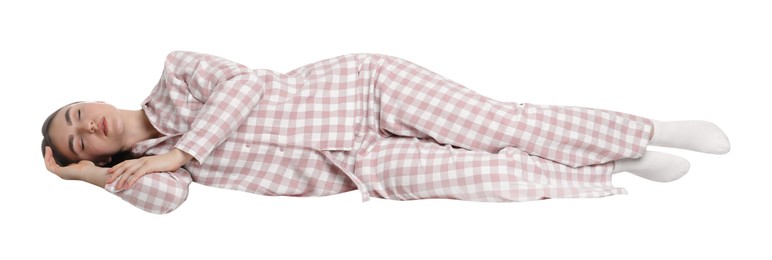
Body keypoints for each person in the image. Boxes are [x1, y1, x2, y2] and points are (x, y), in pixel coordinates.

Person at [41, 51, 731, 214]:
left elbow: (243, 86)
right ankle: (617, 167)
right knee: (489, 180)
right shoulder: (162, 172)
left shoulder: (177, 72)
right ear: (107, 153)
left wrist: (183, 151)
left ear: (95, 100)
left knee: (495, 126)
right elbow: (168, 206)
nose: (86, 129)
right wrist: (88, 181)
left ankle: (651, 127)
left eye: (77, 115)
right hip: (356, 167)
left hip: (364, 92)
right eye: (81, 143)